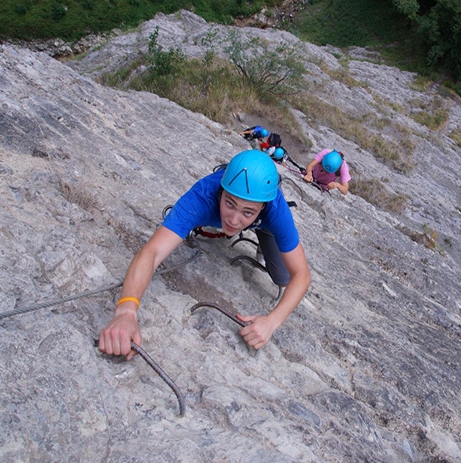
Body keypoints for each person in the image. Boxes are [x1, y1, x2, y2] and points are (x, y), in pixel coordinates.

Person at [98, 150, 311, 359]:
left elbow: (300, 275)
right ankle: (208, 218)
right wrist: (126, 311)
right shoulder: (203, 195)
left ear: (263, 208)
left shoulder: (274, 209)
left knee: (282, 277)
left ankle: (262, 234)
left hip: (263, 224)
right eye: (230, 203)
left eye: (247, 211)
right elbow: (152, 252)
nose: (234, 220)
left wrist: (272, 321)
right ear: (221, 191)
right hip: (211, 208)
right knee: (189, 220)